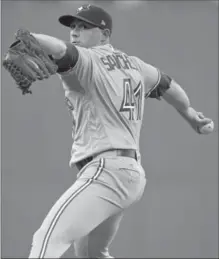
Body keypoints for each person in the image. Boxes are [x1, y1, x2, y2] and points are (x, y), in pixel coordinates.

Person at [28, 4, 212, 259]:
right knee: (92, 253)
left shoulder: (88, 59)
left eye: (84, 26)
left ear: (104, 34)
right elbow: (168, 85)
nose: (75, 31)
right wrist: (190, 112)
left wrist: (28, 38)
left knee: (47, 238)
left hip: (106, 171)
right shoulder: (135, 65)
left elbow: (61, 50)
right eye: (73, 26)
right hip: (128, 173)